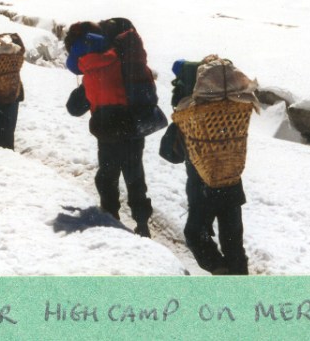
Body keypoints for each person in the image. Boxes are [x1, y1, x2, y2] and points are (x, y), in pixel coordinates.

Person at [158, 57, 254, 275]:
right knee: (234, 245)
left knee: (195, 235)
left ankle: (219, 270)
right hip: (232, 187)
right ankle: (240, 283)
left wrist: (178, 123)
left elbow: (169, 154)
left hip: (203, 192)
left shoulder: (190, 120)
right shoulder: (233, 110)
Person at [64, 19, 155, 237]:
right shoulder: (123, 60)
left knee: (107, 176)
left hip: (107, 130)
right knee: (135, 176)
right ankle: (142, 223)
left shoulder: (91, 68)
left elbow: (74, 108)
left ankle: (110, 216)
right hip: (132, 128)